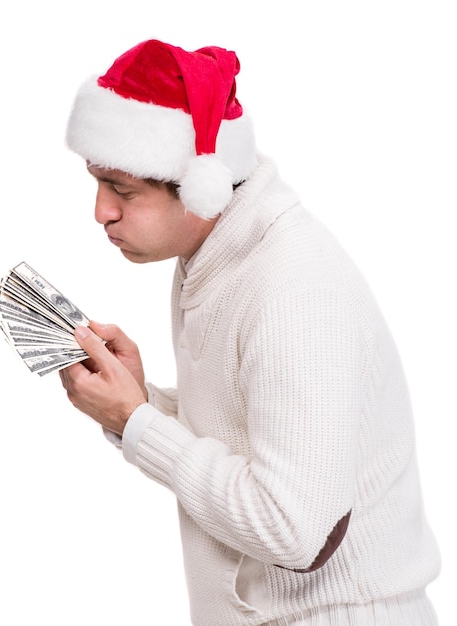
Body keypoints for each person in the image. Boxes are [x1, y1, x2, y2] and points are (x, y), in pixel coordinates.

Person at [60, 39, 441, 625]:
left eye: (123, 190)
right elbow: (252, 437)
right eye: (98, 182)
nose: (100, 212)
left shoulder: (293, 287)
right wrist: (144, 400)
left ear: (198, 187)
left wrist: (135, 423)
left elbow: (294, 530)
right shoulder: (212, 256)